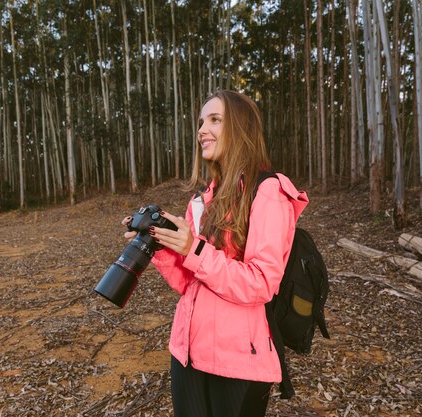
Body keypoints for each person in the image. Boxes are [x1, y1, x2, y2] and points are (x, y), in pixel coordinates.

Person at [123, 90, 308, 417]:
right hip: (187, 352)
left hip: (239, 360)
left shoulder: (268, 191)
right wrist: (160, 244)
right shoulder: (200, 200)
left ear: (240, 127)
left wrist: (192, 248)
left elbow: (261, 283)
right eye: (200, 122)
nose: (202, 130)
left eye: (215, 120)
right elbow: (188, 283)